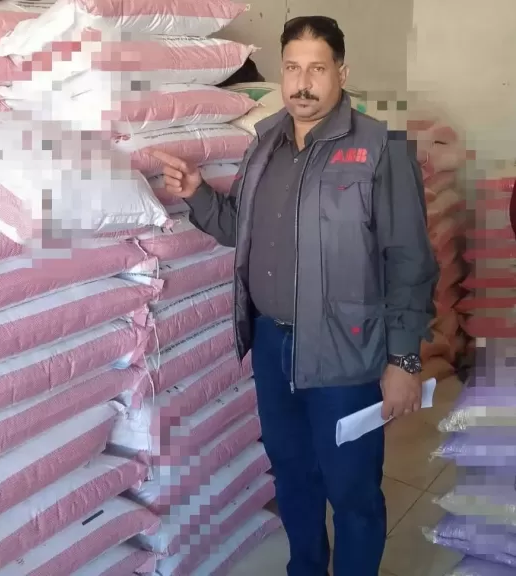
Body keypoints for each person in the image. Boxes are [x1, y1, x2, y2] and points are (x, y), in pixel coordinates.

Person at [153, 15, 439, 576]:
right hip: (271, 344)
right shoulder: (265, 144)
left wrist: (404, 360)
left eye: (317, 69)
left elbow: (410, 262)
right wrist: (197, 194)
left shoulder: (380, 149)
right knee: (292, 476)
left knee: (352, 490)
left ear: (341, 73)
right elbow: (242, 229)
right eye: (292, 68)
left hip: (345, 355)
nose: (302, 84)